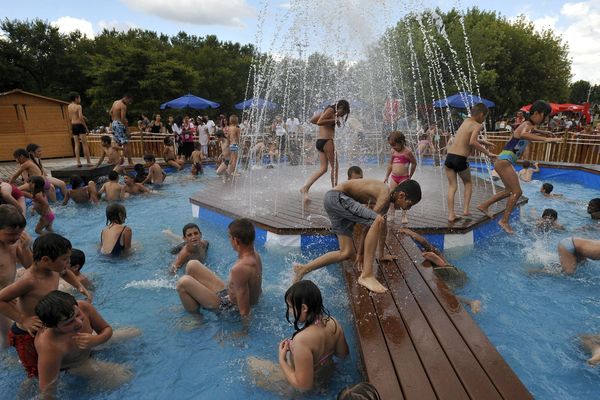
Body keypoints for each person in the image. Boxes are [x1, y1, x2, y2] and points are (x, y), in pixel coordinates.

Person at [293, 179, 422, 293]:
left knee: (346, 252)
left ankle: (303, 269)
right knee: (378, 221)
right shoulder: (385, 193)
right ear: (401, 195)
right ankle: (367, 275)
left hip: (334, 200)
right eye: (409, 204)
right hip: (337, 197)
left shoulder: (386, 202)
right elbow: (372, 224)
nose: (408, 209)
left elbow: (380, 228)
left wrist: (379, 255)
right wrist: (361, 254)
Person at [0, 233, 91, 377]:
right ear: (46, 260)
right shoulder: (30, 281)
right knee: (35, 374)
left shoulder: (53, 269)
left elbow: (65, 272)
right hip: (27, 333)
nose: (68, 262)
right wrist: (23, 319)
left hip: (48, 329)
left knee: (54, 366)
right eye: (64, 259)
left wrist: (79, 286)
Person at [247, 280, 349, 392]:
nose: (289, 311)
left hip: (304, 389)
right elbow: (343, 355)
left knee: (251, 365)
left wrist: (282, 360)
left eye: (290, 307)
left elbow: (303, 386)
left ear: (304, 308)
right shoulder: (334, 323)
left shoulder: (301, 341)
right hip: (325, 377)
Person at [477, 100, 562, 233]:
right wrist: (547, 139)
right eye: (545, 115)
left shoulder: (528, 125)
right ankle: (504, 221)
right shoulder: (527, 125)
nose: (546, 119)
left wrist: (544, 132)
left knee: (508, 191)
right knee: (517, 192)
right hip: (505, 161)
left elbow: (529, 130)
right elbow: (524, 134)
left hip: (503, 160)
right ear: (537, 113)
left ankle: (484, 206)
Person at [34, 291, 139, 396]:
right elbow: (47, 389)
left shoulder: (84, 307)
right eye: (69, 323)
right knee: (123, 376)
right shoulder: (50, 347)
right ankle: (92, 387)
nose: (78, 322)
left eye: (78, 314)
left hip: (91, 342)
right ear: (53, 327)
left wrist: (97, 340)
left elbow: (106, 329)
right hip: (75, 364)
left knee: (135, 332)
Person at [176, 218, 262, 319]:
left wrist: (243, 331)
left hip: (229, 308)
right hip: (228, 295)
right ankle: (192, 300)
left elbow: (244, 311)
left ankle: (197, 319)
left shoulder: (239, 268)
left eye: (229, 237)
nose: (229, 240)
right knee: (192, 265)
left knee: (183, 283)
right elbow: (255, 288)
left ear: (236, 240)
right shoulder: (255, 255)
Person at [398, 227, 482, 313]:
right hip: (460, 276)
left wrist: (409, 232)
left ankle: (470, 302)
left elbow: (424, 242)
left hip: (450, 273)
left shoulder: (431, 258)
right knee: (446, 292)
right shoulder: (435, 253)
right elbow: (424, 242)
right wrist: (409, 232)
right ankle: (471, 302)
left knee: (444, 292)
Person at [444, 103, 495, 223]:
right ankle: (466, 210)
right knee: (468, 183)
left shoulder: (466, 121)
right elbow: (472, 142)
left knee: (452, 187)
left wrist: (485, 142)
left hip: (449, 157)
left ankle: (451, 215)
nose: (484, 120)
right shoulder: (478, 125)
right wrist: (488, 153)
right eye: (485, 117)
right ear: (481, 115)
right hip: (460, 159)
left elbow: (465, 137)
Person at [299, 100, 351, 202]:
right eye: (343, 112)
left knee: (323, 168)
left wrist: (330, 120)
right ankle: (335, 193)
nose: (342, 115)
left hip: (320, 141)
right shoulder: (331, 111)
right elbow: (319, 122)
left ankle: (305, 188)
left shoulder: (327, 111)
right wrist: (333, 121)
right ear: (340, 107)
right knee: (335, 167)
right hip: (327, 141)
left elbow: (313, 120)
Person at [0, 205, 32, 347]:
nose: (15, 238)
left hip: (7, 295)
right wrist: (21, 318)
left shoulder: (16, 242)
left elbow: (30, 267)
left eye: (19, 234)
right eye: (10, 234)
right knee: (7, 338)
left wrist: (25, 248)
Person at [384, 131, 417, 224]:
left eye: (394, 145)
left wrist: (410, 175)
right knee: (391, 195)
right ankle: (391, 213)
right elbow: (390, 164)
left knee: (404, 197)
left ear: (401, 142)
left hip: (404, 178)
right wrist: (386, 176)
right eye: (391, 145)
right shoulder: (393, 151)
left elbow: (414, 163)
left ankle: (404, 215)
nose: (393, 147)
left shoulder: (408, 152)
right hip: (394, 177)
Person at [67, 92, 92, 167]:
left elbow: (71, 116)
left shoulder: (69, 106)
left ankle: (78, 162)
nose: (80, 99)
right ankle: (88, 161)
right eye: (79, 98)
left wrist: (84, 117)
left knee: (76, 144)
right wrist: (86, 127)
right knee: (84, 144)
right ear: (76, 98)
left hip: (73, 125)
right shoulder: (79, 106)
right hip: (79, 125)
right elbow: (80, 117)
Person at [109, 93, 134, 165]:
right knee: (126, 143)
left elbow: (110, 112)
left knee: (118, 144)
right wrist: (127, 129)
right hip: (119, 124)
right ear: (126, 98)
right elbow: (123, 119)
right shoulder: (123, 106)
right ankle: (130, 161)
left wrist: (114, 120)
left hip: (114, 123)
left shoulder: (115, 102)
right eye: (129, 101)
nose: (129, 103)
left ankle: (116, 160)